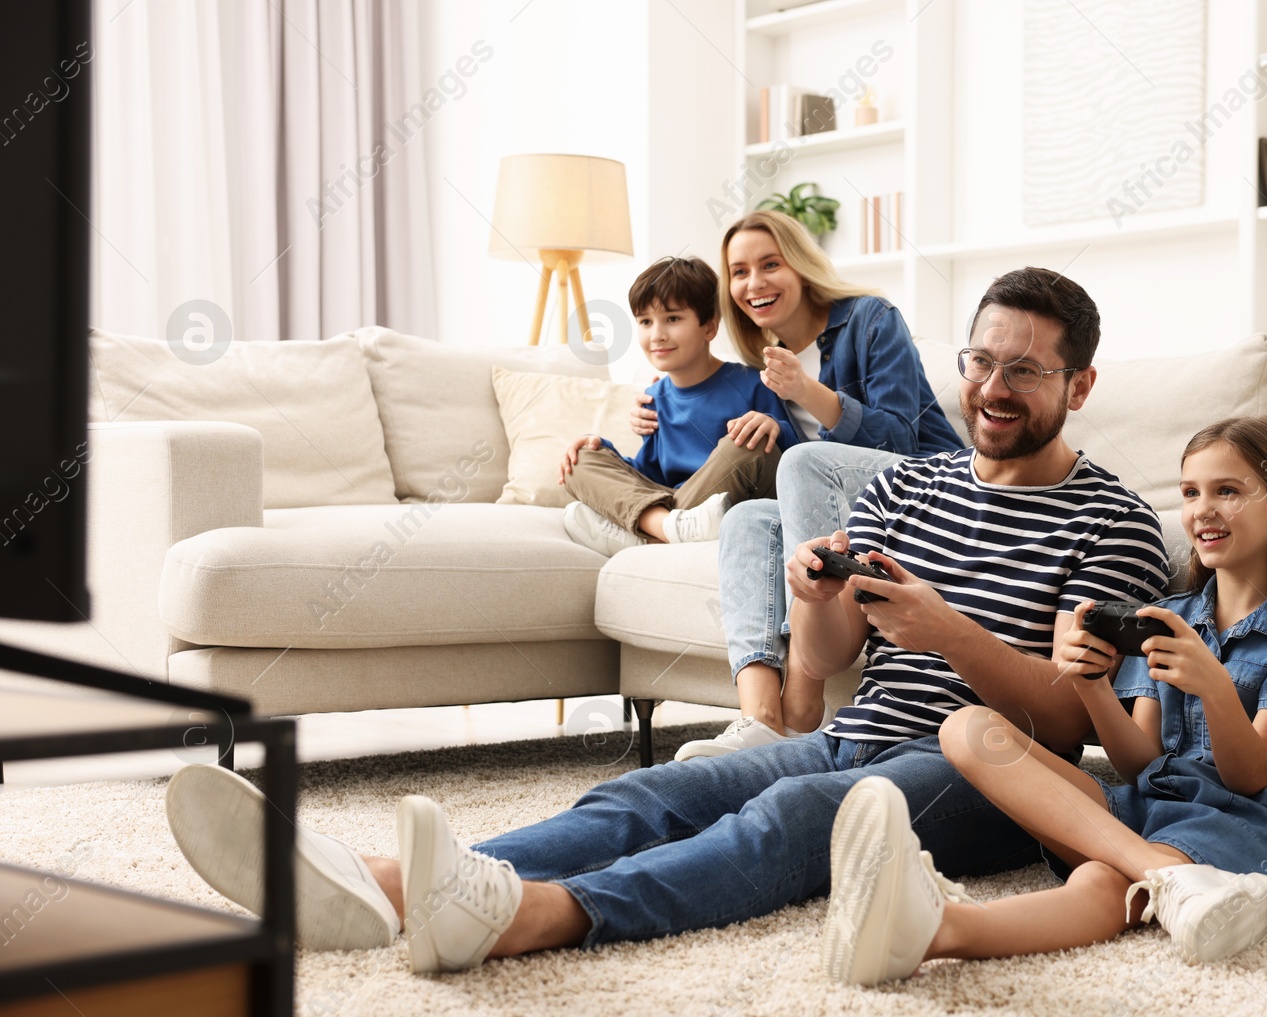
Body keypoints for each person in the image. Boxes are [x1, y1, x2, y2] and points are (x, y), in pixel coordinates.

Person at [160, 267, 1168, 976]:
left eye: (1024, 371)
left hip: (987, 773)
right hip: (856, 729)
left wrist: (946, 628)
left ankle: (540, 914)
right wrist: (817, 605)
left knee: (781, 820)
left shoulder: (1114, 522)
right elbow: (831, 659)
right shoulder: (911, 486)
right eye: (980, 361)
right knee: (657, 789)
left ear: (1078, 385)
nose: (991, 389)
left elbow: (1073, 729)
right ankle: (379, 885)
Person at [822, 415, 1267, 987]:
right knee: (967, 727)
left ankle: (934, 932)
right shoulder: (1171, 617)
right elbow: (1138, 763)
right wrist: (1092, 687)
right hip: (1145, 807)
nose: (1203, 508)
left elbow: (1251, 775)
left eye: (1229, 491)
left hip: (1241, 823)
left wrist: (1215, 688)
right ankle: (1171, 877)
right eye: (1190, 492)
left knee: (1104, 884)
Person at [657, 211, 963, 761]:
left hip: (928, 489)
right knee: (745, 518)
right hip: (849, 505)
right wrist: (650, 404)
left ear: (799, 265)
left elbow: (898, 439)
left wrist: (810, 391)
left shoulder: (871, 319)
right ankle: (761, 720)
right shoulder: (760, 362)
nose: (754, 284)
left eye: (770, 264)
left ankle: (802, 701)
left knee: (801, 462)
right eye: (740, 272)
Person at [558, 255, 801, 556]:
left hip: (728, 501)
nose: (657, 334)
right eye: (646, 322)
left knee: (748, 441)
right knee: (581, 457)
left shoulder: (751, 382)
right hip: (677, 501)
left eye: (672, 319)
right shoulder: (655, 396)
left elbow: (790, 459)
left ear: (709, 327)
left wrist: (775, 426)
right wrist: (601, 449)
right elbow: (650, 475)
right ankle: (669, 529)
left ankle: (649, 533)